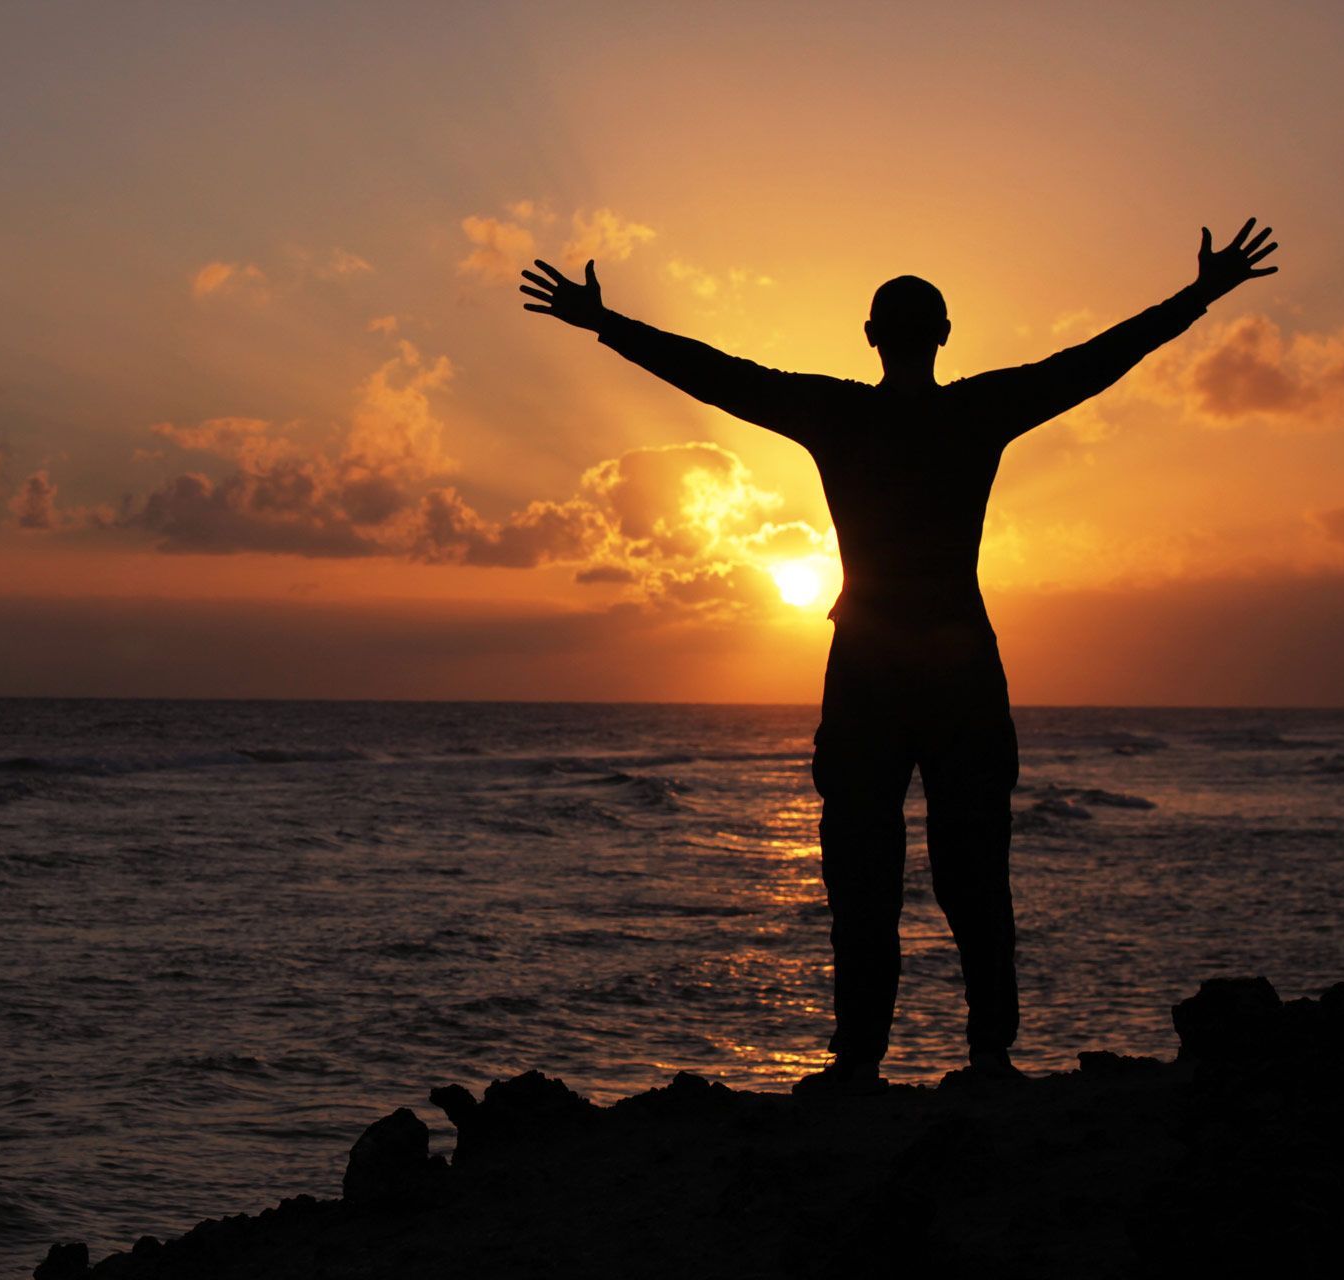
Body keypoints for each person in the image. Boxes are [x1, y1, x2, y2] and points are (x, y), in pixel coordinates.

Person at [519, 220, 1279, 1094]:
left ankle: (861, 1059)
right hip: (955, 666)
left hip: (874, 668)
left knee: (865, 875)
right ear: (945, 336)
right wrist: (1199, 297)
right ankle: (983, 1054)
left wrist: (606, 324)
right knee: (970, 875)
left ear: (873, 336)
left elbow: (718, 375)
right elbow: (1099, 359)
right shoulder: (974, 410)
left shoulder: (838, 412)